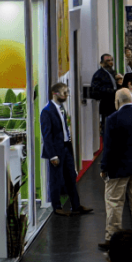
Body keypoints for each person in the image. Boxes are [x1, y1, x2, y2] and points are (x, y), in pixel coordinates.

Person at [99, 88, 132, 251]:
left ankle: (112, 237)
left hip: (118, 168)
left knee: (114, 202)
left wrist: (104, 167)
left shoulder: (112, 119)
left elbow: (108, 147)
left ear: (117, 102)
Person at [41, 83, 91, 216]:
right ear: (54, 93)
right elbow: (47, 136)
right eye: (64, 93)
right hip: (56, 151)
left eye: (67, 92)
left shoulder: (61, 108)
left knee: (71, 177)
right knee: (55, 179)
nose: (66, 95)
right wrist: (52, 155)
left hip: (66, 147)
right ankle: (56, 207)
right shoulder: (47, 111)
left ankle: (76, 206)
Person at [89, 53, 119, 134]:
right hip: (106, 105)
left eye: (111, 60)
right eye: (108, 61)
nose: (110, 62)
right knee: (107, 128)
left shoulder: (113, 73)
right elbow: (96, 90)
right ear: (102, 63)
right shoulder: (98, 75)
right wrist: (111, 91)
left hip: (115, 104)